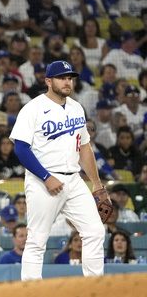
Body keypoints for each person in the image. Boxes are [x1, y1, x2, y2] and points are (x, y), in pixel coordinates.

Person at [9, 60, 106, 280]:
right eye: (62, 78)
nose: (67, 82)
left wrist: (98, 185)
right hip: (43, 180)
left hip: (73, 179)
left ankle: (95, 286)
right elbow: (21, 148)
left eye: (70, 78)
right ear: (48, 81)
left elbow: (84, 147)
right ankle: (31, 292)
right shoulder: (32, 108)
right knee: (37, 240)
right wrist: (46, 177)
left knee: (95, 231)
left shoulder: (76, 107)